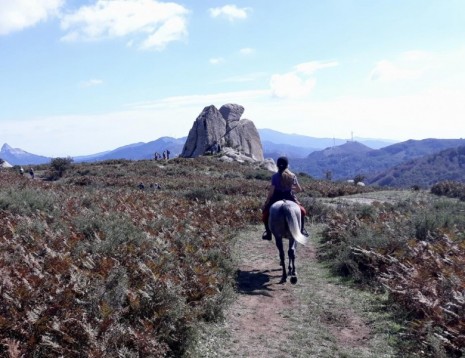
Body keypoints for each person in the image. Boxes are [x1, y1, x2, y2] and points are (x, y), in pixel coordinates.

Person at [261, 156, 308, 241]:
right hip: (290, 197)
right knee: (302, 212)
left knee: (265, 213)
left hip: (276, 198)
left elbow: (271, 191)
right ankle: (301, 230)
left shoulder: (274, 176)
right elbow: (298, 189)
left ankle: (268, 233)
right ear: (287, 165)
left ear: (277, 165)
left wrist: (267, 201)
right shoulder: (292, 176)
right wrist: (290, 189)